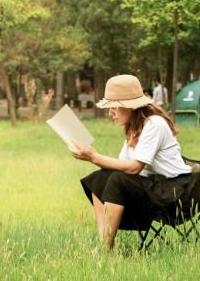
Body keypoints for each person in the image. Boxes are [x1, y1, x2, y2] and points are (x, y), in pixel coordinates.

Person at [71, 74, 193, 252]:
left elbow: (135, 167)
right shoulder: (134, 127)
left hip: (173, 191)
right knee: (98, 179)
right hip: (154, 185)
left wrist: (94, 157)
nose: (110, 113)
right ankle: (105, 245)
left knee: (117, 180)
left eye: (114, 107)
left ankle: (105, 247)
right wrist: (90, 155)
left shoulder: (154, 125)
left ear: (128, 106)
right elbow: (121, 165)